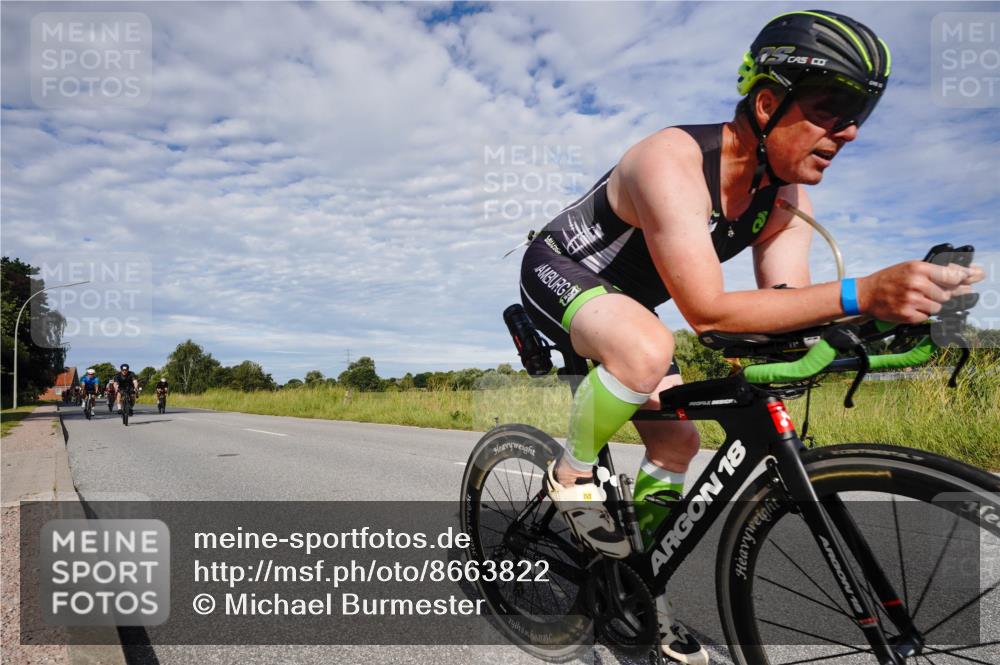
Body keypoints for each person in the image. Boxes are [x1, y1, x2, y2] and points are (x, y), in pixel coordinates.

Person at [518, 10, 982, 664]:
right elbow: (708, 312)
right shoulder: (670, 161)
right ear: (768, 103)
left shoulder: (786, 201)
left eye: (861, 115)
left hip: (627, 304)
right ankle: (572, 469)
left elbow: (783, 307)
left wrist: (891, 312)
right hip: (561, 269)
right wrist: (864, 290)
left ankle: (626, 589)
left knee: (677, 440)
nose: (848, 132)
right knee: (648, 347)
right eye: (832, 108)